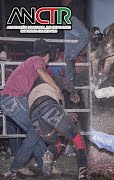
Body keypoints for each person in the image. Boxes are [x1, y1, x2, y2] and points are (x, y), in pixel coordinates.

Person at [0, 39, 62, 178]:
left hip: (12, 99)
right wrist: (56, 88)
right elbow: (41, 71)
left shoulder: (29, 63)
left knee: (35, 131)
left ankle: (44, 165)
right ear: (46, 55)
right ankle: (18, 165)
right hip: (13, 98)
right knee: (37, 128)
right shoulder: (38, 59)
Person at [28, 75, 88, 179]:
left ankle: (49, 154)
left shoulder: (30, 88)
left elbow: (40, 110)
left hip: (34, 117)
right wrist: (73, 93)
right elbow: (66, 82)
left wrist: (64, 115)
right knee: (78, 139)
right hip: (48, 106)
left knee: (57, 144)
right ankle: (83, 171)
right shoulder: (49, 78)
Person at [62, 0, 89, 81]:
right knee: (86, 36)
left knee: (68, 50)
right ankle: (71, 57)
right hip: (72, 19)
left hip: (66, 21)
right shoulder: (74, 5)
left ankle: (69, 82)